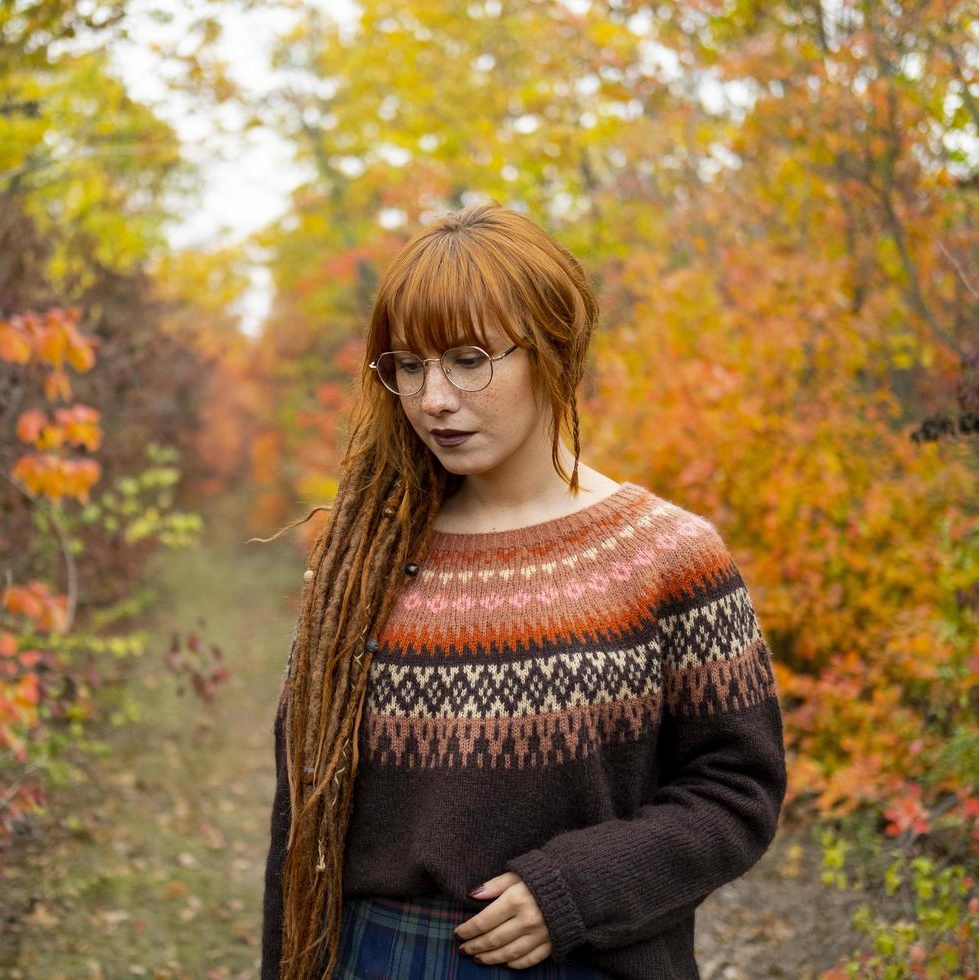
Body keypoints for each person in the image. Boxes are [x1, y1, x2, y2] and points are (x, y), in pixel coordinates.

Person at [256, 201, 787, 979]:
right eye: (408, 365)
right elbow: (299, 819)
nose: (433, 397)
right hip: (378, 959)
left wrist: (578, 887)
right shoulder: (362, 559)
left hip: (590, 959)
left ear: (552, 349)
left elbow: (737, 790)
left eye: (469, 359)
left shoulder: (670, 556)